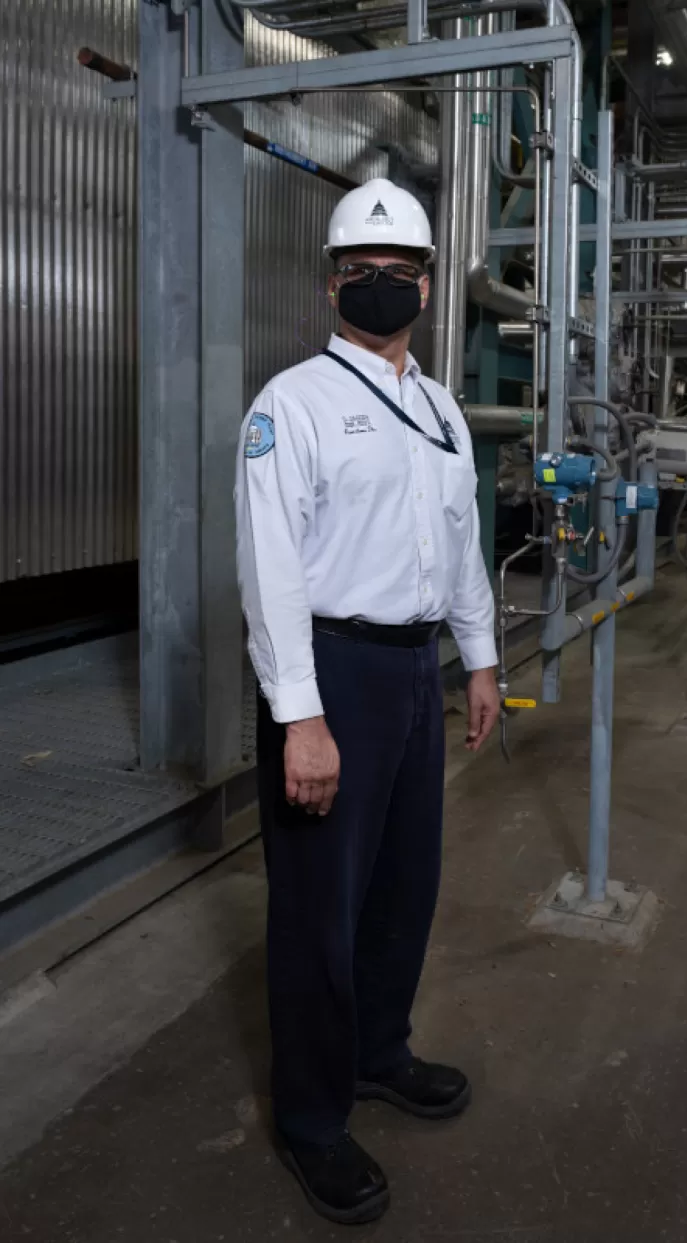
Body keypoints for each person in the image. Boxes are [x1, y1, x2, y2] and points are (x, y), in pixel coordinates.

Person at [235, 177, 500, 1226]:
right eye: (362, 273)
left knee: (402, 883)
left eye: (400, 273)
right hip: (331, 674)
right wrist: (301, 715)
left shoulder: (440, 410)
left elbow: (459, 544)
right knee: (317, 908)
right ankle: (310, 1117)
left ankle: (379, 1052)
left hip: (413, 670)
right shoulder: (289, 404)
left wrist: (478, 657)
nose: (382, 287)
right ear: (331, 284)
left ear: (428, 287)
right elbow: (271, 572)